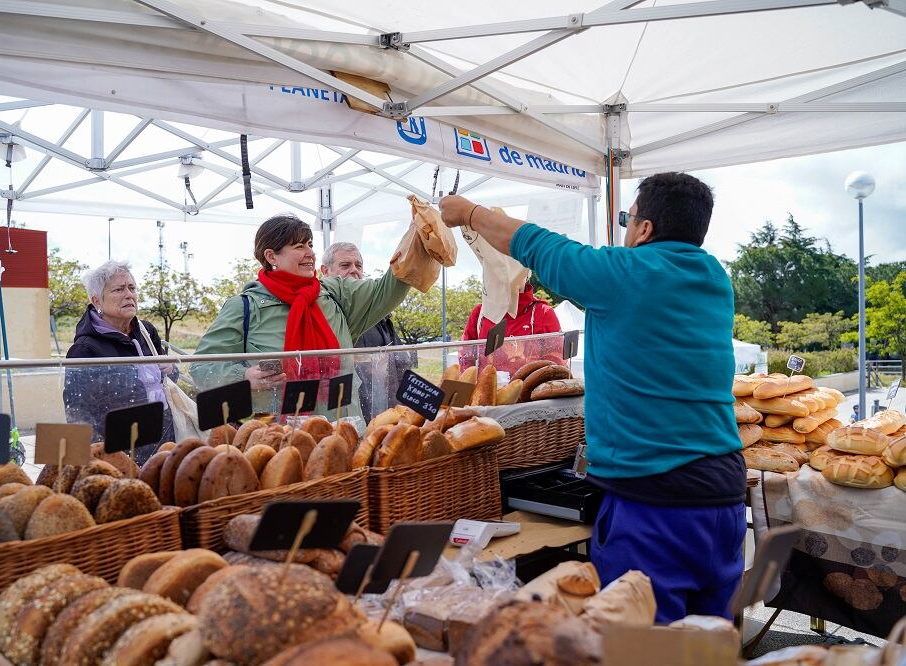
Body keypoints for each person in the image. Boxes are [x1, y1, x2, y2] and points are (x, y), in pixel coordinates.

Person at [438, 172, 745, 624]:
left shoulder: (626, 272)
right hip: (723, 493)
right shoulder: (714, 279)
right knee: (709, 641)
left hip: (655, 499)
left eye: (629, 219)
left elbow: (538, 244)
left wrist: (468, 213)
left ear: (644, 229)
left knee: (640, 647)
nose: (625, 230)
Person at [192, 215, 411, 419]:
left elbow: (389, 289)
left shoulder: (335, 294)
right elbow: (201, 367)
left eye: (310, 245)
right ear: (271, 256)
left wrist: (418, 232)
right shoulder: (244, 306)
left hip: (342, 433)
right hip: (277, 443)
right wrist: (244, 376)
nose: (311, 253)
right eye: (299, 246)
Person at [63, 260, 175, 463]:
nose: (129, 295)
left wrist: (170, 369)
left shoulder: (146, 331)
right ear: (97, 301)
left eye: (132, 288)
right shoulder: (85, 350)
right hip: (123, 452)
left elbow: (162, 379)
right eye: (119, 289)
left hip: (165, 438)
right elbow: (78, 414)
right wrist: (101, 459)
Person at [319, 242, 416, 422]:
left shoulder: (380, 314)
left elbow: (401, 365)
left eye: (359, 265)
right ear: (325, 271)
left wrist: (425, 403)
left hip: (387, 415)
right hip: (350, 415)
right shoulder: (332, 315)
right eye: (345, 265)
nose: (354, 270)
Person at [459, 279, 563, 377]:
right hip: (487, 391)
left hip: (529, 392)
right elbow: (465, 355)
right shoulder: (480, 312)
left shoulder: (543, 313)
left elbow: (555, 363)